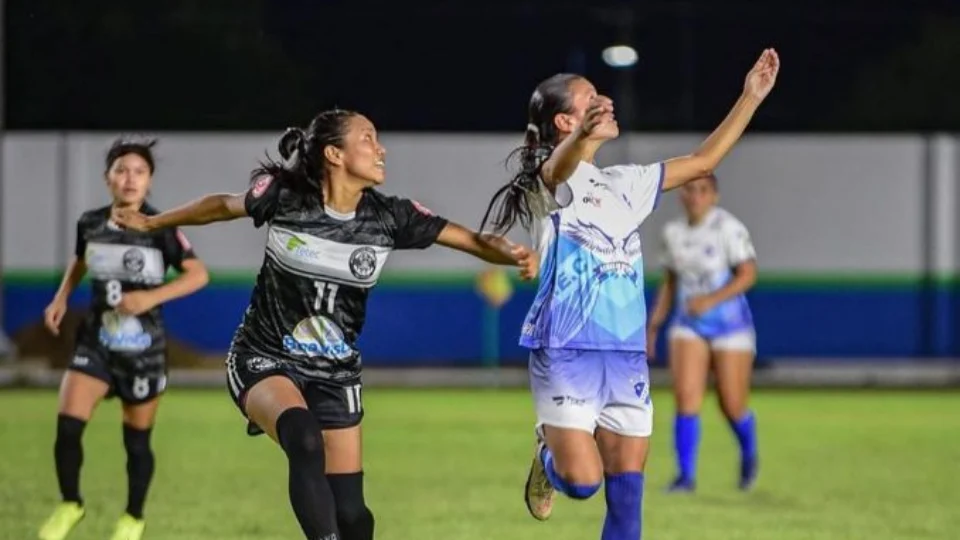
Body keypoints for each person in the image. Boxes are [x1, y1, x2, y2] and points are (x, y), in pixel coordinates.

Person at [111, 109, 539, 540]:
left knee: (352, 515)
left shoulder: (390, 216)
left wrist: (514, 254)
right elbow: (221, 205)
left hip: (335, 372)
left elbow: (471, 240)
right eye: (368, 138)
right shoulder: (284, 197)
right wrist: (153, 222)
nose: (381, 149)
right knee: (304, 440)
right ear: (335, 154)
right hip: (264, 356)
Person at [479, 48, 779, 539]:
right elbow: (558, 169)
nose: (606, 102)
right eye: (591, 99)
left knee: (626, 503)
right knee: (582, 483)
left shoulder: (624, 183)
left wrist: (750, 97)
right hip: (567, 350)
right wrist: (580, 136)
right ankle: (548, 456)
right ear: (565, 121)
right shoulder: (547, 181)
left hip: (625, 355)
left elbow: (703, 161)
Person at [38, 138, 210, 540]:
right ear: (108, 179)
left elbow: (198, 275)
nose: (130, 179)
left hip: (143, 350)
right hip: (96, 341)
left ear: (149, 181)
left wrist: (150, 297)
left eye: (139, 172)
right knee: (67, 428)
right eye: (122, 170)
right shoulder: (90, 223)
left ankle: (133, 517)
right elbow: (81, 259)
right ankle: (70, 503)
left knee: (136, 442)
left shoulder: (160, 227)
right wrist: (61, 297)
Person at [647, 174, 759, 493]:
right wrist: (653, 325)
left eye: (702, 190)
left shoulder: (728, 228)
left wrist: (710, 300)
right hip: (688, 324)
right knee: (686, 399)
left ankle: (749, 450)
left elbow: (748, 274)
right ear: (681, 195)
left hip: (730, 326)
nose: (695, 196)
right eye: (689, 190)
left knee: (731, 404)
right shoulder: (673, 232)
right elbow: (670, 283)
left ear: (714, 196)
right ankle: (685, 476)